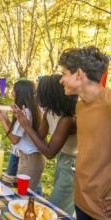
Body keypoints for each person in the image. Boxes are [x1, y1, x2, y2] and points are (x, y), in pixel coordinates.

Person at [12, 74, 78, 215]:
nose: (37, 95)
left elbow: (49, 152)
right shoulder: (49, 112)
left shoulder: (68, 118)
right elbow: (39, 137)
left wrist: (27, 127)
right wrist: (23, 121)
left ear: (51, 94)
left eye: (40, 92)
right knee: (64, 209)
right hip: (62, 160)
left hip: (73, 165)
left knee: (54, 208)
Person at [58, 46, 110, 219]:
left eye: (64, 73)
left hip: (103, 211)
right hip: (80, 201)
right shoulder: (79, 106)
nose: (61, 80)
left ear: (78, 74)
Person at [0, 80, 45, 192]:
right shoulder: (28, 110)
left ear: (20, 93)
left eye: (13, 90)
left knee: (24, 195)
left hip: (31, 160)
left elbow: (14, 139)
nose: (11, 93)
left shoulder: (27, 112)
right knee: (22, 193)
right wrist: (6, 120)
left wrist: (2, 121)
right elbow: (17, 132)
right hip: (27, 158)